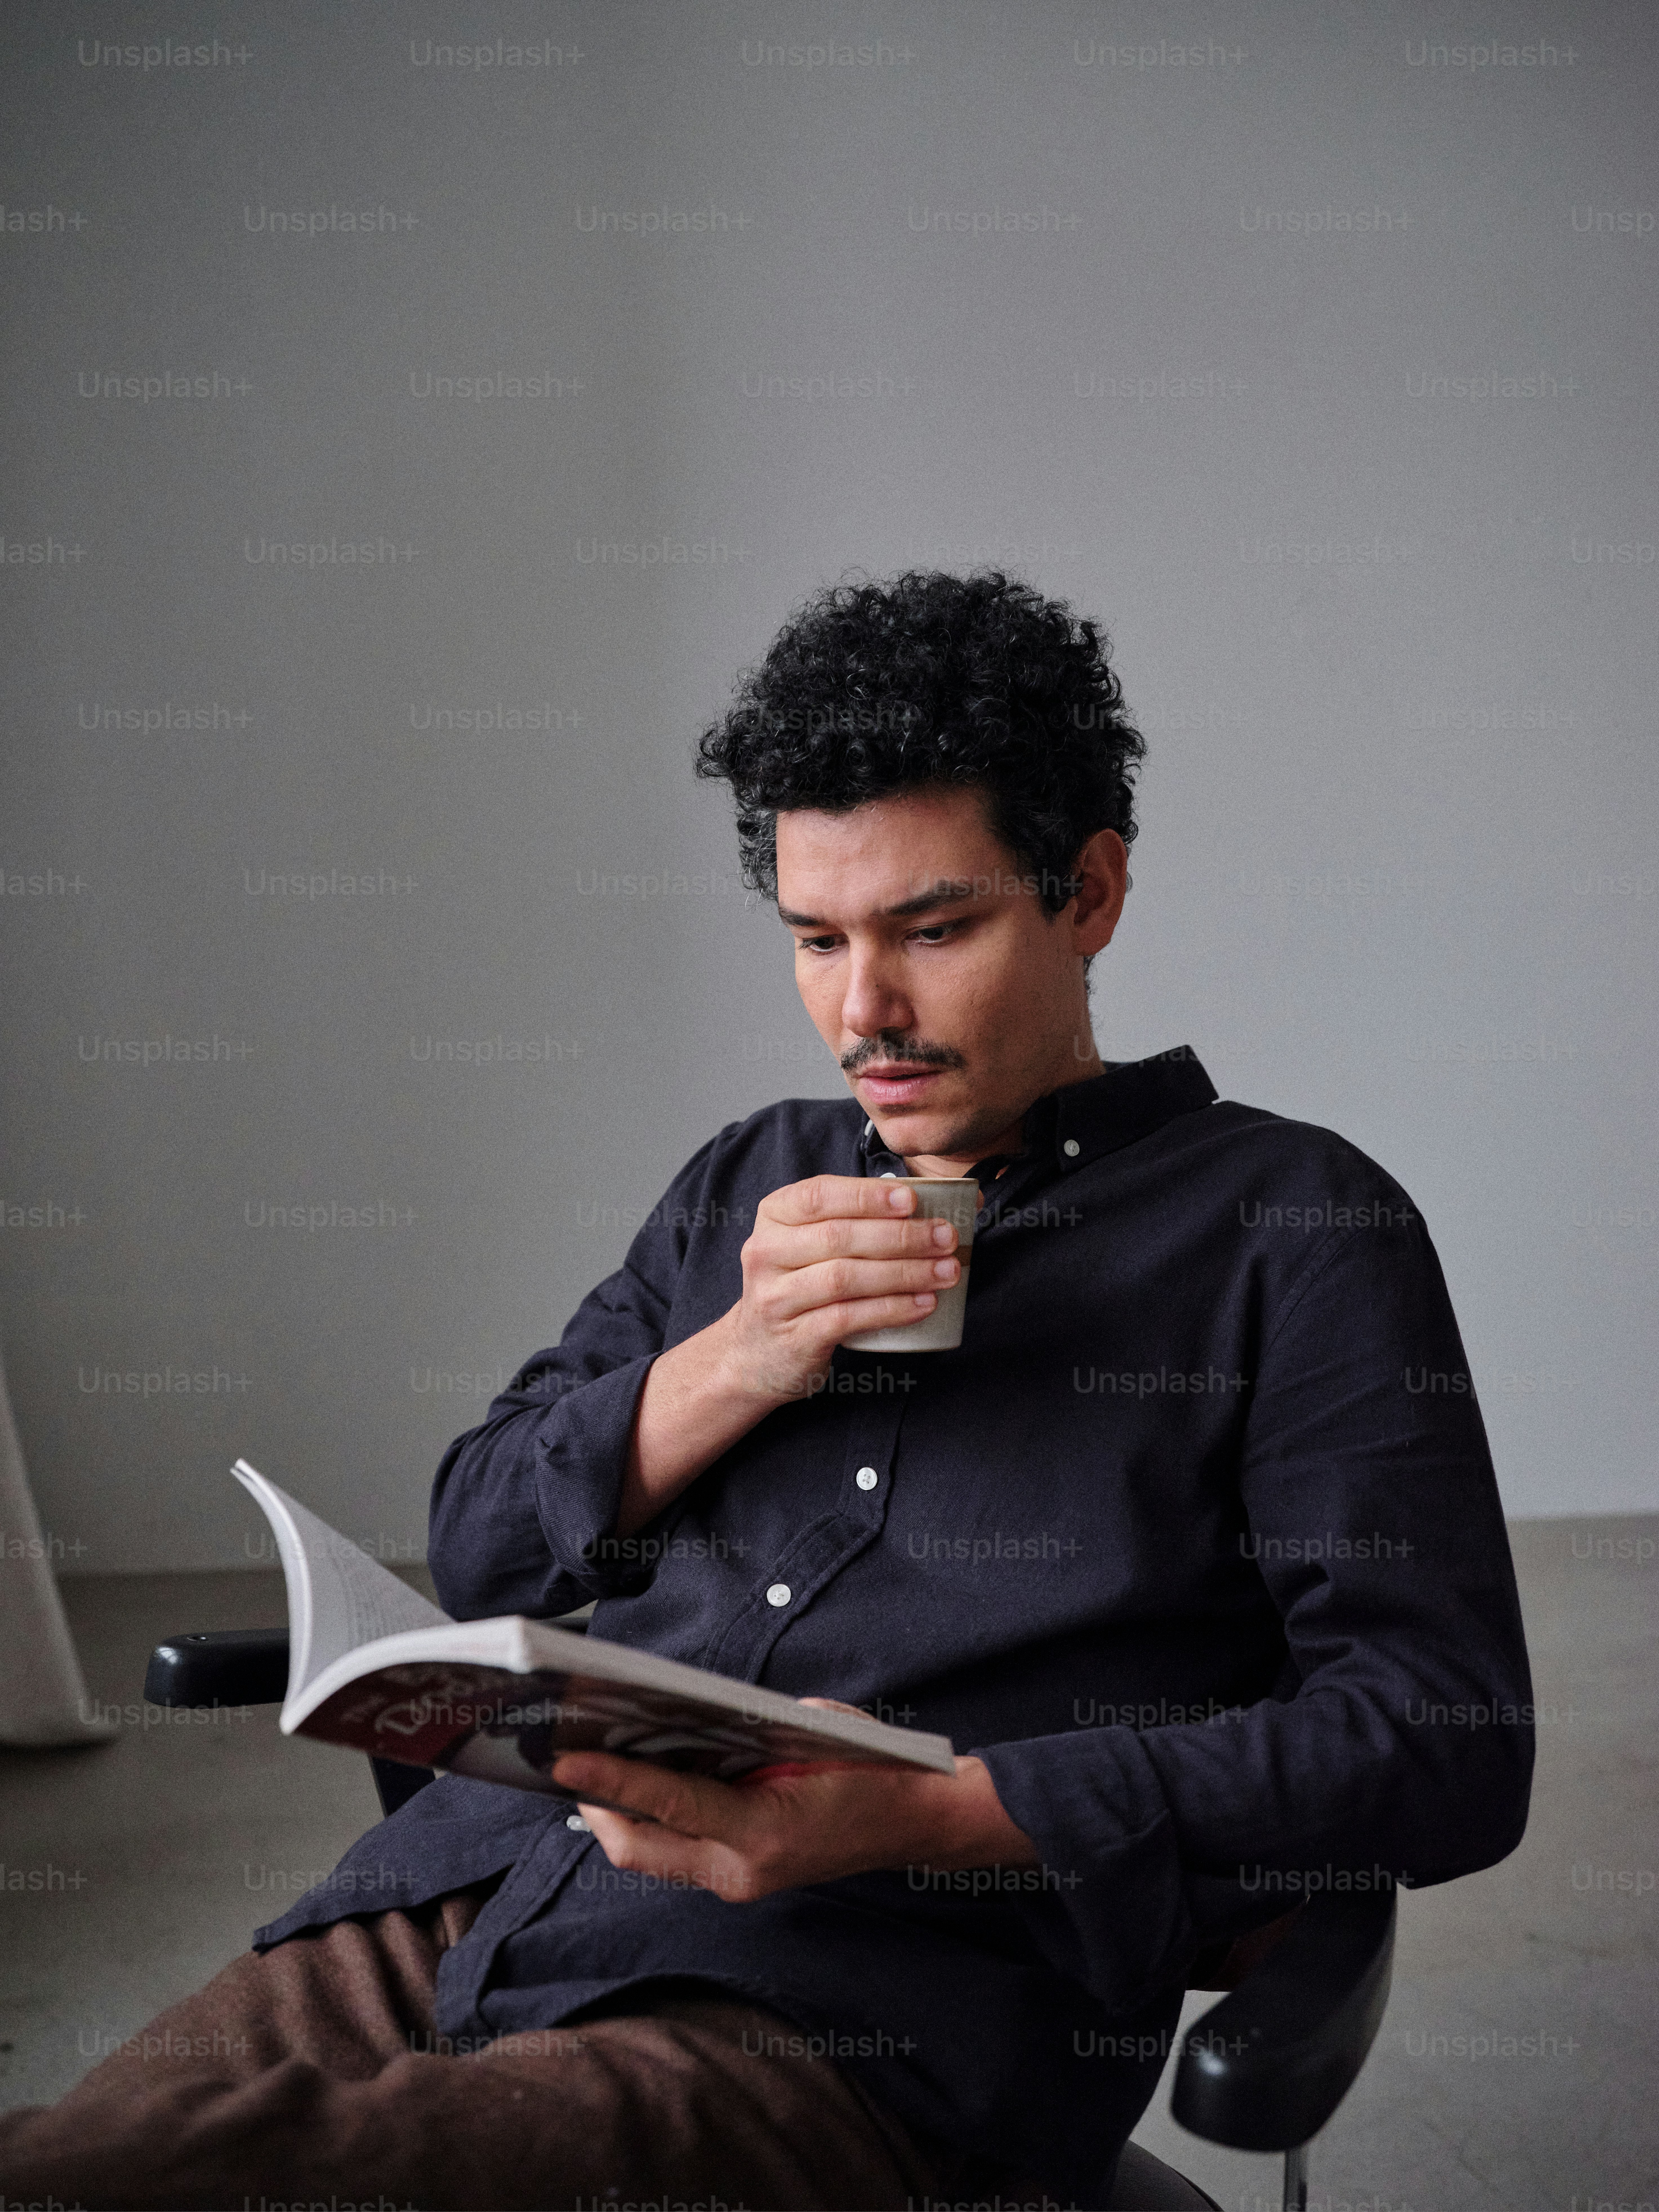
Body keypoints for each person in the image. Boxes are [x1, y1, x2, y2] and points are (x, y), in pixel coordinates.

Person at [0, 570, 1534, 2211]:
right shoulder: (751, 1177)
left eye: (932, 931)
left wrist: (934, 1814)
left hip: (856, 2014)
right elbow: (484, 1554)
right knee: (89, 2157)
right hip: (465, 1892)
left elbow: (1437, 1737)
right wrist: (730, 1360)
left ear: (1087, 894)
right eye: (817, 938)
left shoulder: (1295, 1227)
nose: (862, 1012)